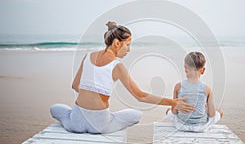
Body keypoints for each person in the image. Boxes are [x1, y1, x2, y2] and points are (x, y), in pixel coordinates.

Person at [50, 21, 194, 134]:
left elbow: (75, 86)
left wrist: (89, 97)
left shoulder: (87, 56)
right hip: (100, 125)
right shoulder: (117, 66)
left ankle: (72, 117)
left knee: (55, 109)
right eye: (128, 45)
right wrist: (172, 102)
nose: (129, 50)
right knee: (136, 115)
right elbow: (141, 96)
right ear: (117, 43)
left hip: (76, 122)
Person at [166, 51, 223, 132]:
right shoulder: (207, 89)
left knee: (168, 111)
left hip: (181, 126)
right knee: (219, 112)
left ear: (185, 68)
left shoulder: (178, 86)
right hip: (201, 127)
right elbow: (212, 115)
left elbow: (174, 112)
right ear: (203, 70)